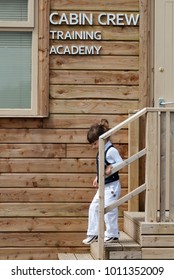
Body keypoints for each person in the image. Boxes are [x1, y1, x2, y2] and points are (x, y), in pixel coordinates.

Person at [82, 119, 123, 245]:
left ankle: (112, 234)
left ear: (102, 139)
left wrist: (112, 167)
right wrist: (98, 177)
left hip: (112, 187)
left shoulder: (111, 150)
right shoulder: (102, 151)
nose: (93, 146)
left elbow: (121, 163)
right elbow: (102, 166)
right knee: (94, 207)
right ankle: (93, 233)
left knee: (109, 210)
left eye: (94, 143)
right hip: (104, 185)